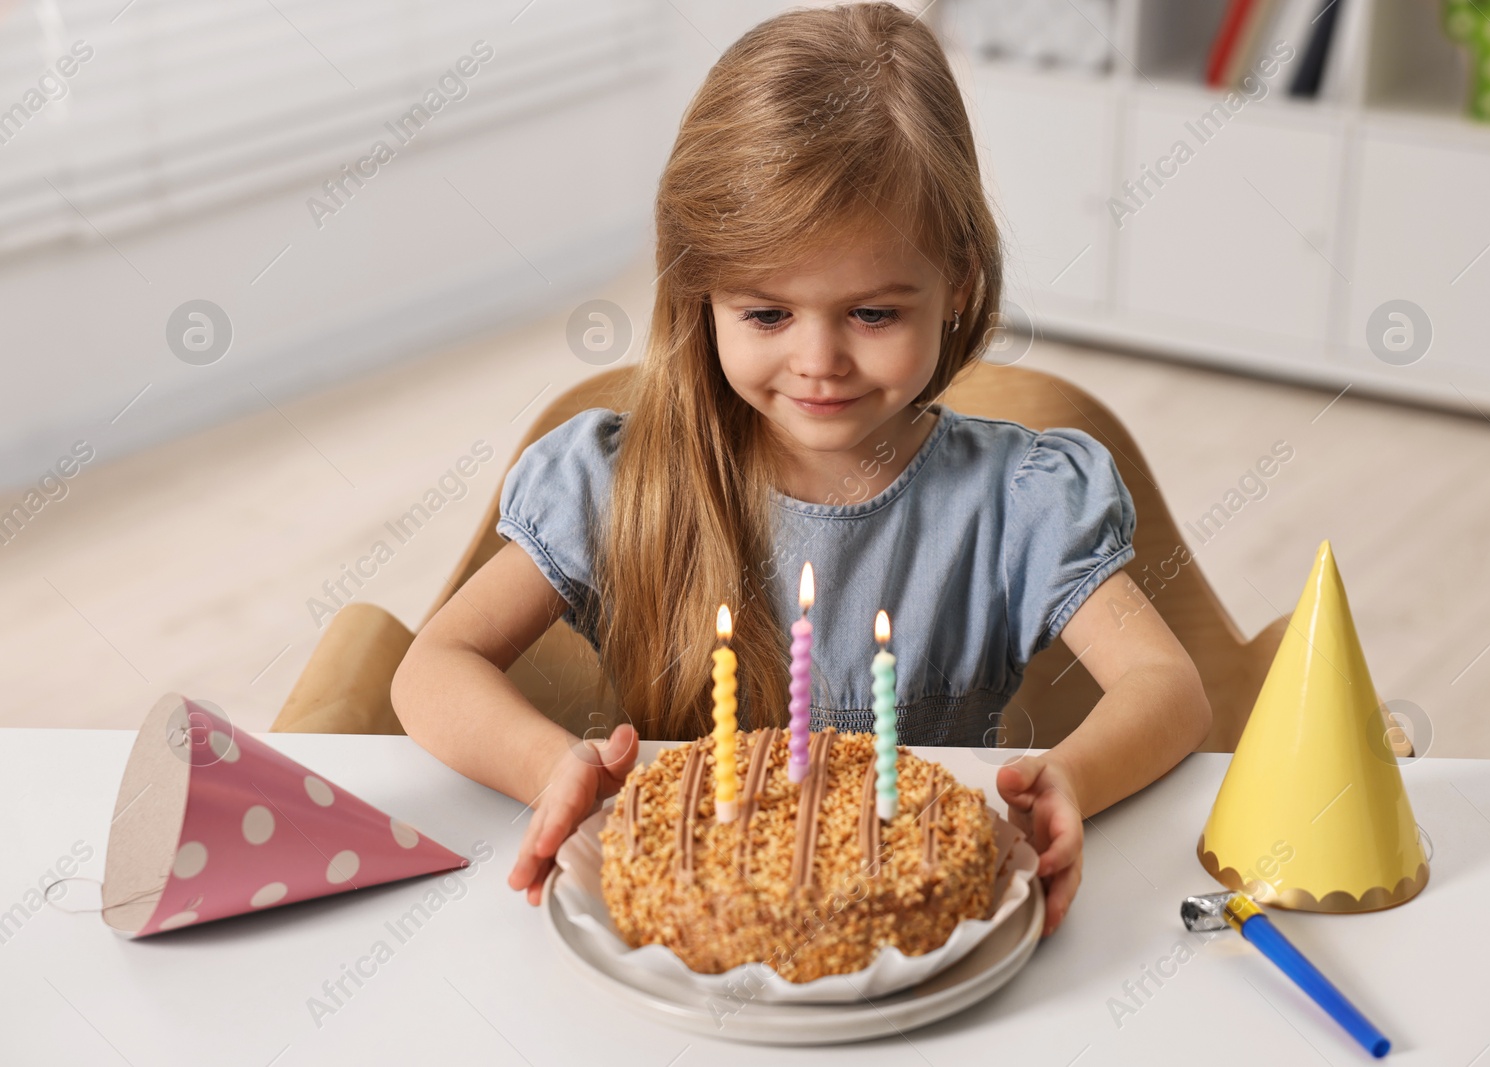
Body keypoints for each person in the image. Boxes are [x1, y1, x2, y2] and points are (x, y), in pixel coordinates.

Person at [391, 2, 1210, 938]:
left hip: (921, 944)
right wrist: (548, 764)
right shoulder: (622, 485)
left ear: (960, 287)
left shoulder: (1017, 501)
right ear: (700, 296)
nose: (819, 361)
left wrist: (1073, 775)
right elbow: (431, 667)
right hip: (687, 941)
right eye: (768, 315)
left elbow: (1168, 686)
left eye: (872, 314)